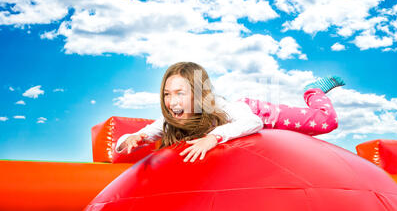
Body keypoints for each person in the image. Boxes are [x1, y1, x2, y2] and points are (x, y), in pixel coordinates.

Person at [116, 62, 345, 162]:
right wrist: (133, 138)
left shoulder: (216, 105)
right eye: (167, 94)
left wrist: (212, 138)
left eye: (180, 93)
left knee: (326, 122)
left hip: (265, 115)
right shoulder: (171, 119)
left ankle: (312, 91)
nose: (172, 102)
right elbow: (137, 137)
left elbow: (253, 122)